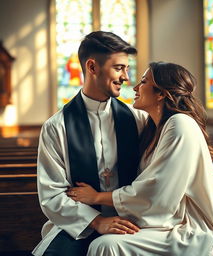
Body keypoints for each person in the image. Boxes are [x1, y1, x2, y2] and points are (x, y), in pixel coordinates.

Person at [67, 62, 213, 256]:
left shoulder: (181, 124)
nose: (135, 87)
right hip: (166, 223)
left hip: (188, 230)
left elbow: (157, 191)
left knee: (106, 245)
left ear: (161, 93)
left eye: (143, 82)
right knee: (101, 241)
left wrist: (97, 197)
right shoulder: (153, 128)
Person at [32, 31, 147, 256]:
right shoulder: (57, 127)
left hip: (131, 221)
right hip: (78, 224)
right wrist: (97, 221)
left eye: (127, 68)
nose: (126, 76)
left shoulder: (137, 119)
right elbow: (51, 195)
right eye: (119, 68)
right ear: (92, 67)